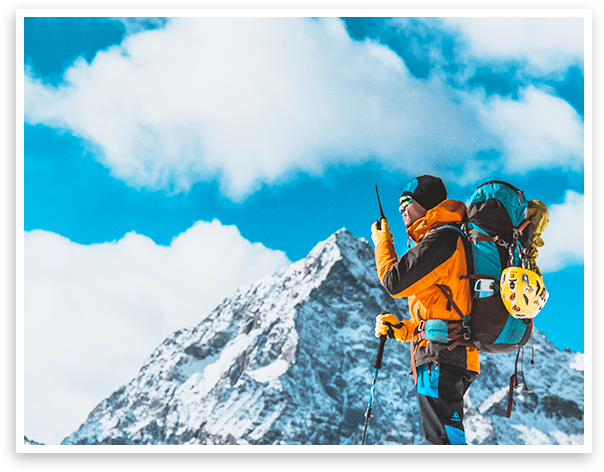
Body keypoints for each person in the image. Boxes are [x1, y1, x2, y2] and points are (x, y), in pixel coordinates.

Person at [370, 175, 478, 445]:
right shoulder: (442, 239)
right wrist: (405, 330)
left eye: (406, 200)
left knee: (444, 441)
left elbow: (394, 282)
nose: (400, 207)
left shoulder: (442, 238)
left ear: (426, 203)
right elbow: (444, 308)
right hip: (447, 352)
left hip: (442, 355)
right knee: (443, 437)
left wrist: (383, 243)